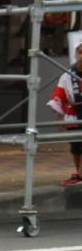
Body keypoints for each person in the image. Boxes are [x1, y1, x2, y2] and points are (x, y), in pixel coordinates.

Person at [47, 42, 82, 185]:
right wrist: (60, 115)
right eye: (79, 52)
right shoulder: (68, 74)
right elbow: (59, 93)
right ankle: (78, 172)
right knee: (76, 147)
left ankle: (80, 175)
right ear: (76, 55)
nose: (81, 55)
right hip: (74, 114)